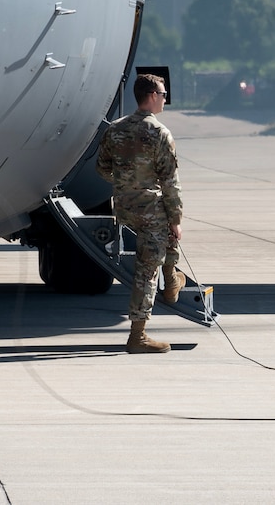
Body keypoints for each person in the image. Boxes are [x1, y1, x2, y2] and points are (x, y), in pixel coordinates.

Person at [94, 71, 184, 354]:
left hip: (125, 208)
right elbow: (170, 182)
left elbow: (101, 166)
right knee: (147, 271)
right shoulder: (160, 134)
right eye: (164, 95)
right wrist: (177, 219)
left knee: (159, 246)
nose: (165, 100)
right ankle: (139, 335)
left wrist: (125, 184)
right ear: (152, 96)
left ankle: (172, 283)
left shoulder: (116, 128)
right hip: (151, 210)